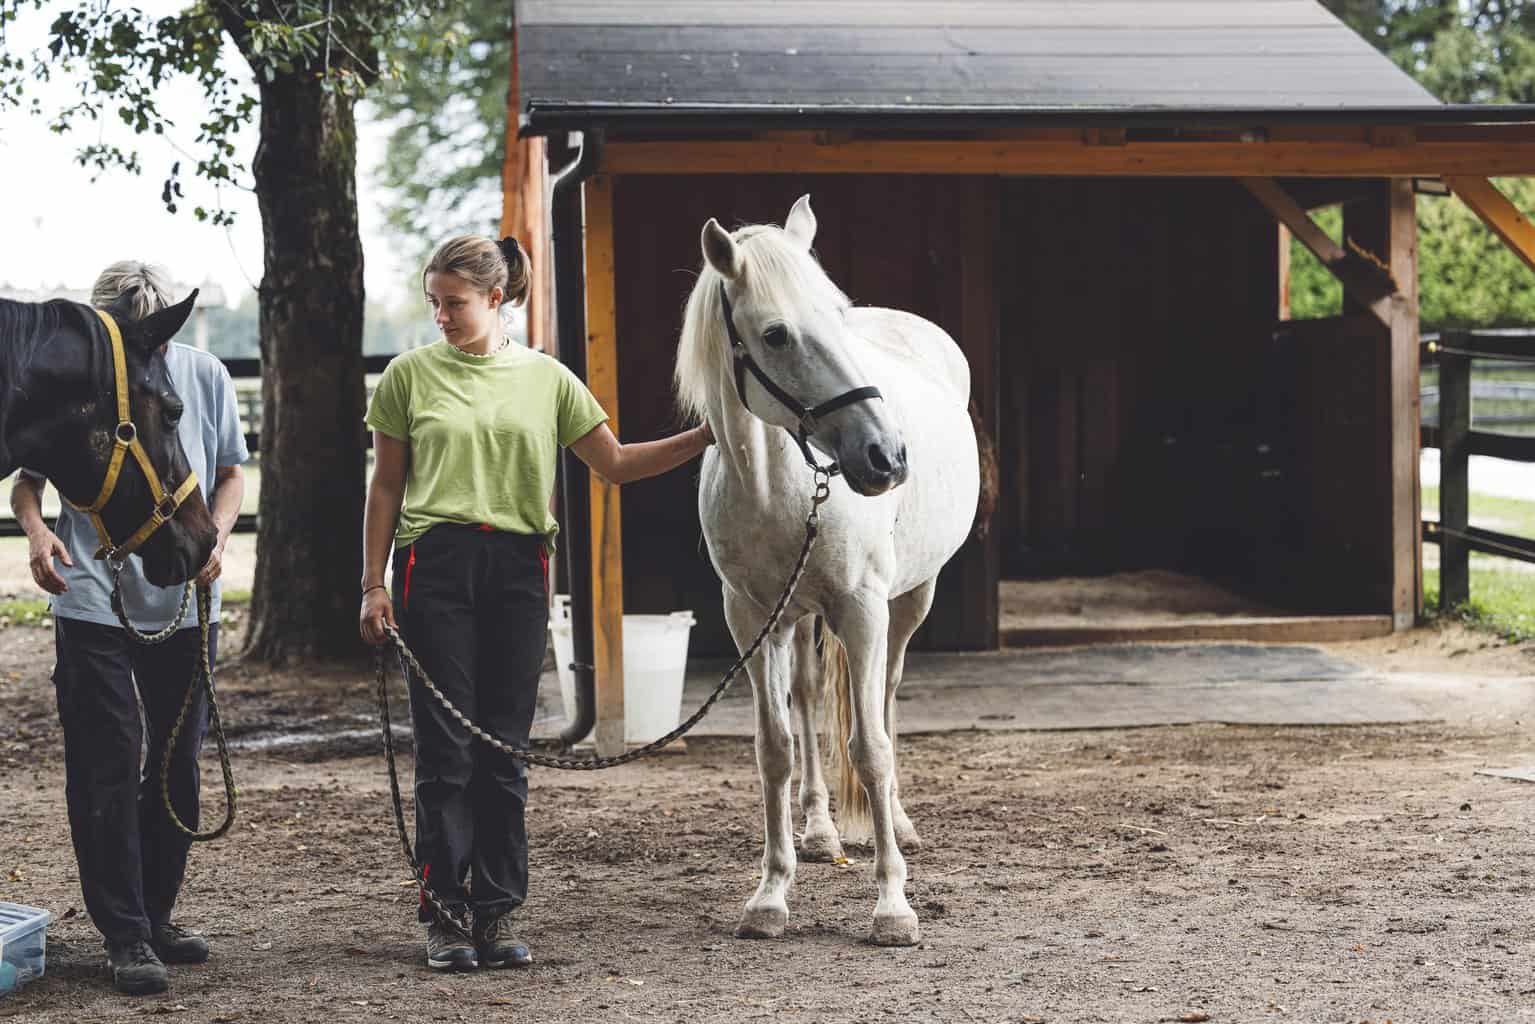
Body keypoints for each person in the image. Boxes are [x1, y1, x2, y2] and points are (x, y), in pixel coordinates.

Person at [358, 234, 710, 971]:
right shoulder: (407, 376)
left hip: (520, 565)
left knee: (503, 749)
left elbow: (613, 464)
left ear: (494, 298)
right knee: (446, 753)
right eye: (433, 304)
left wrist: (708, 436)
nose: (441, 317)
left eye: (453, 304)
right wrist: (373, 582)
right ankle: (445, 915)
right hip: (434, 564)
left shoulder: (547, 379)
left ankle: (497, 909)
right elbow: (386, 486)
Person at [11, 262, 248, 997]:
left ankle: (157, 914)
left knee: (177, 765)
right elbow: (29, 475)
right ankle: (125, 933)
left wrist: (219, 539)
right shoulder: (79, 380)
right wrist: (37, 533)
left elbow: (232, 472)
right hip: (91, 602)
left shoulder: (203, 374)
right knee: (106, 765)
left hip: (181, 604)